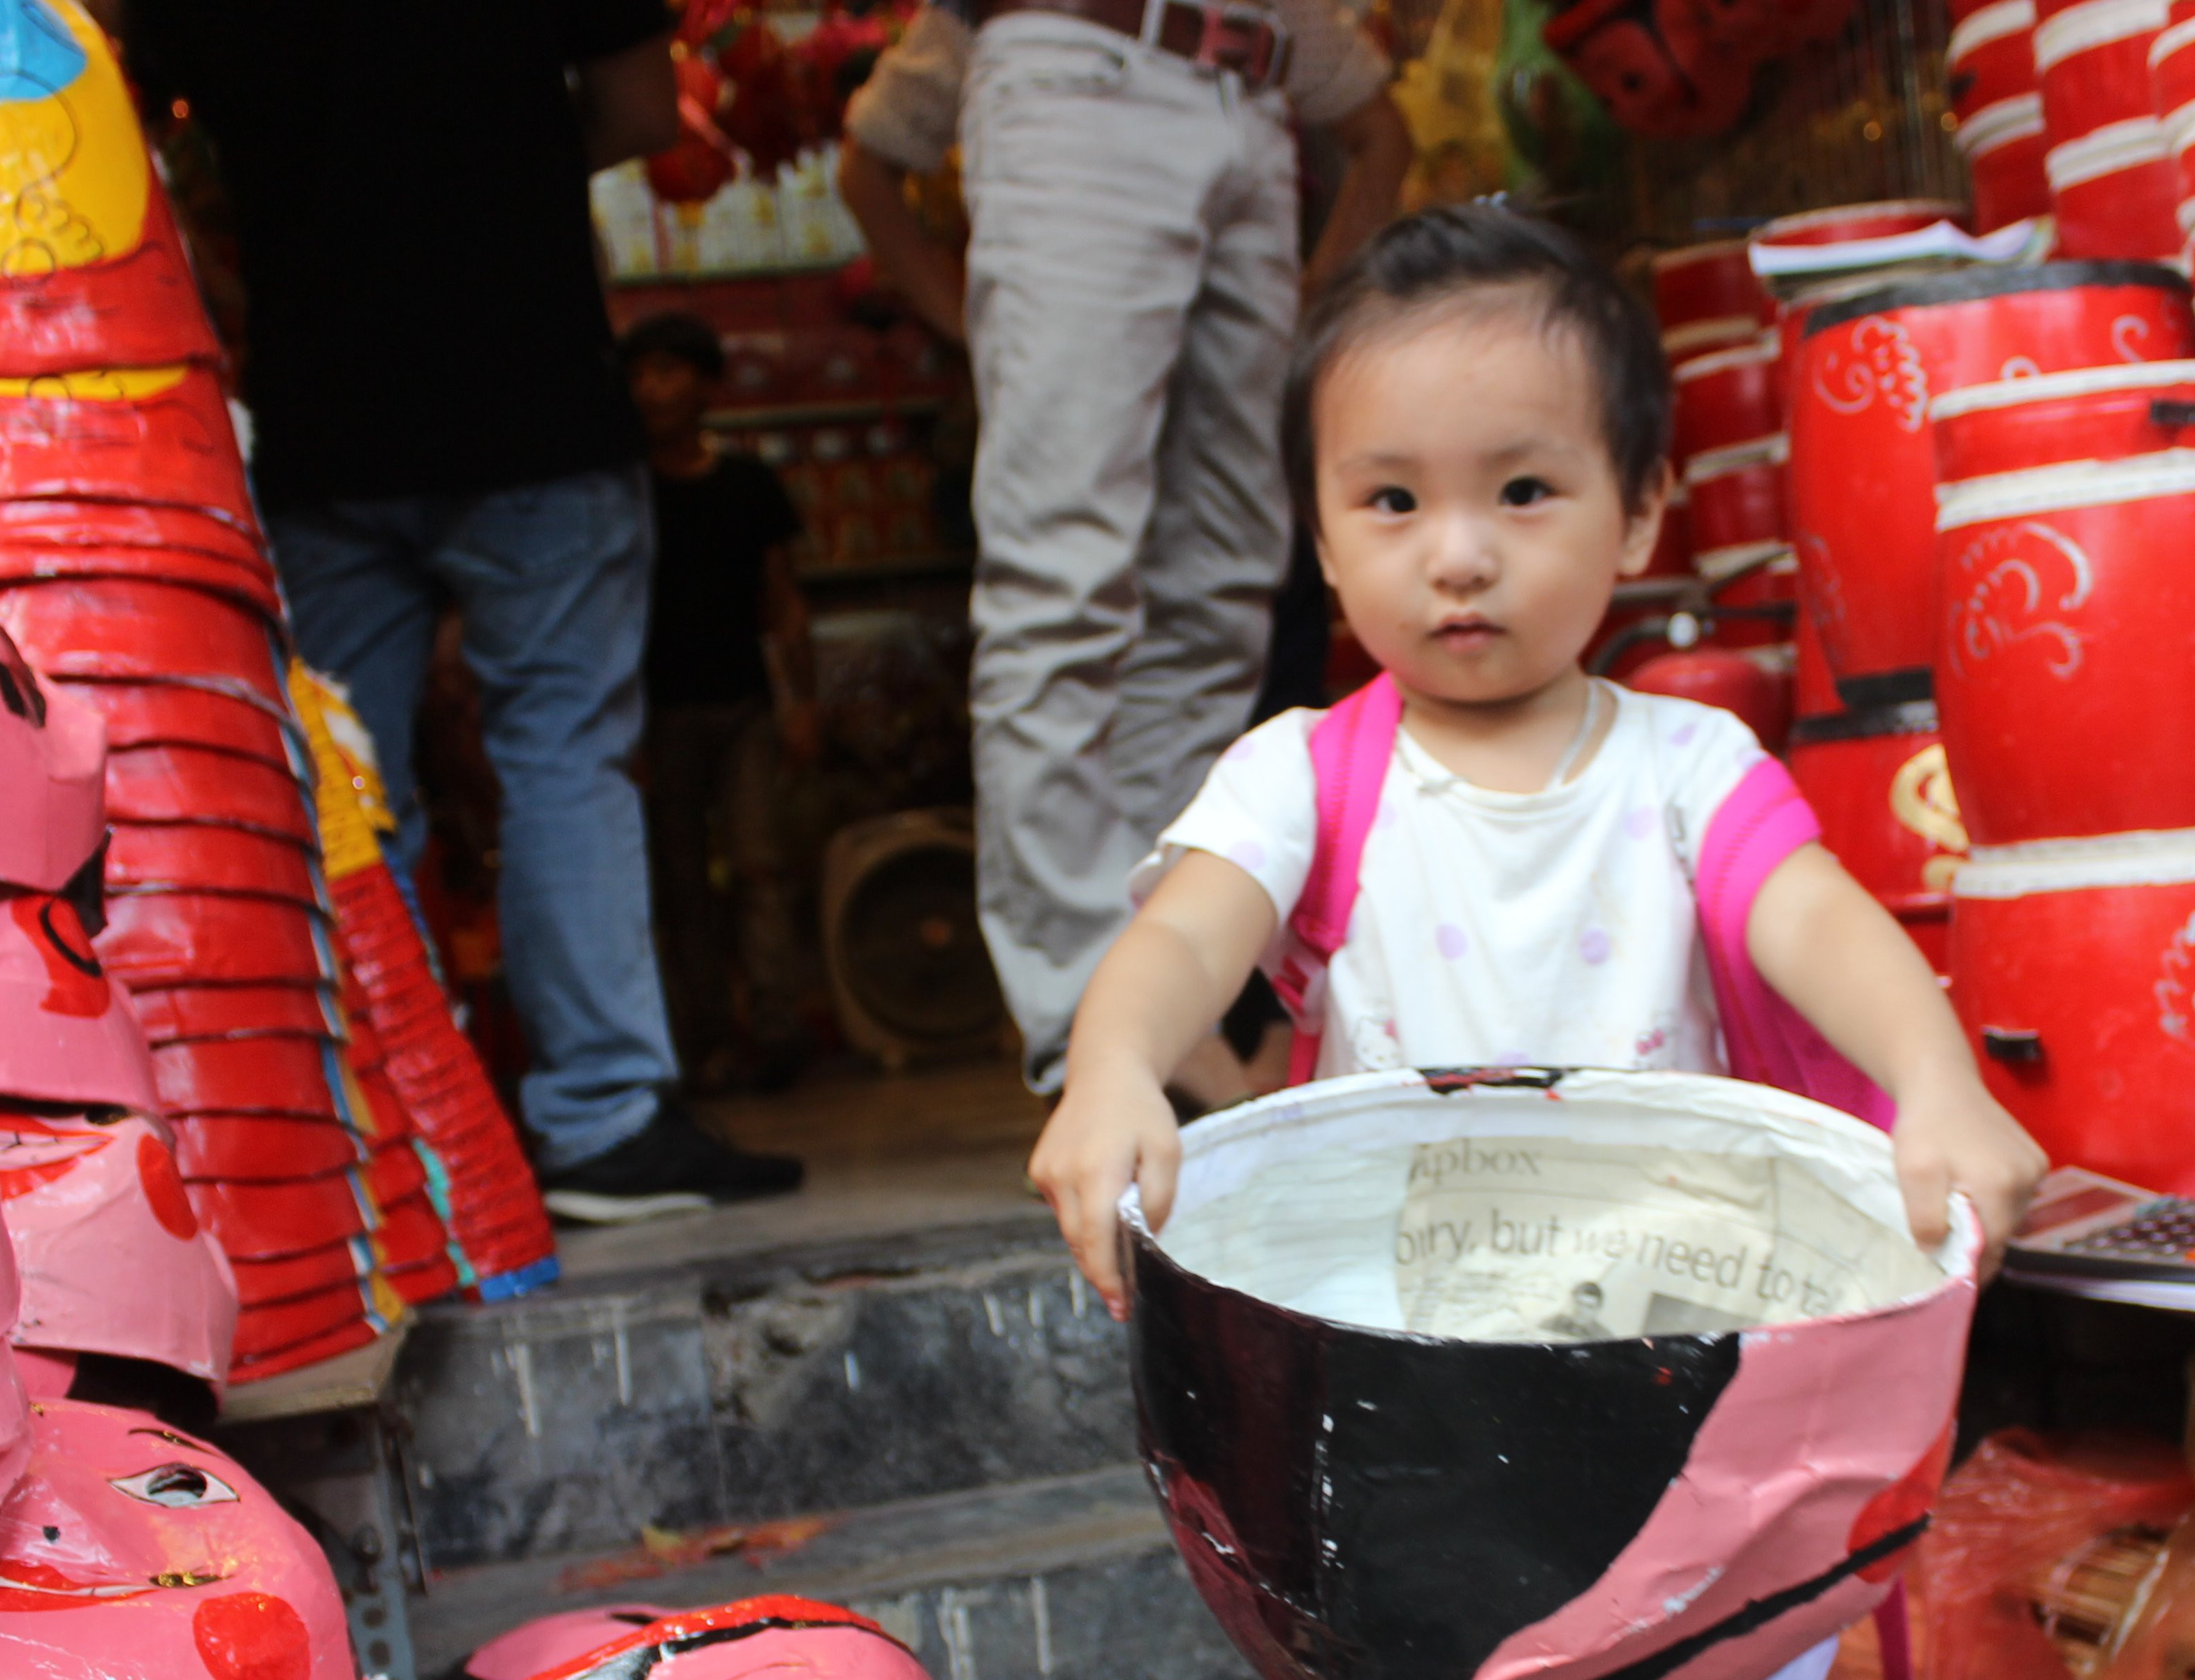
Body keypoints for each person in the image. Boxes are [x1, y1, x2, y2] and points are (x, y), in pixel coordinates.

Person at [1025, 206, 2048, 1680]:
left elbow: (1819, 920)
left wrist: (1937, 1079)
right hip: (1390, 1368)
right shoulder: (1306, 774)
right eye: (1391, 499)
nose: (1459, 552)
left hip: (1661, 1349)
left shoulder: (1684, 771)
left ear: (1640, 511)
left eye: (1522, 490)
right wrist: (1115, 1066)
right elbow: (1176, 941)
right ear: (1322, 535)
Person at [115, 0, 801, 1223]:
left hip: (327, 423)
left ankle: (376, 1132)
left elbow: (112, 90)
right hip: (530, 398)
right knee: (564, 757)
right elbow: (645, 108)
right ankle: (599, 1120)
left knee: (341, 784)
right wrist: (502, 148)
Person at [835, 0, 1411, 1103]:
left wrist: (1309, 302)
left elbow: (1380, 125)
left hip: (1253, 96)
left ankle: (1159, 1003)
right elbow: (867, 164)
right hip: (1075, 74)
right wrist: (973, 323)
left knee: (1225, 588)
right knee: (1064, 582)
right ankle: (1085, 1026)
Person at [621, 311, 825, 1092]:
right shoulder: (627, 494)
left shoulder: (747, 485)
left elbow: (784, 598)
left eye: (670, 372)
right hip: (658, 714)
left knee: (759, 870)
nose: (653, 390)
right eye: (640, 375)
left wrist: (800, 700)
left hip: (743, 708)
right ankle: (706, 1041)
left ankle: (776, 1030)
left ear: (707, 385)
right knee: (681, 888)